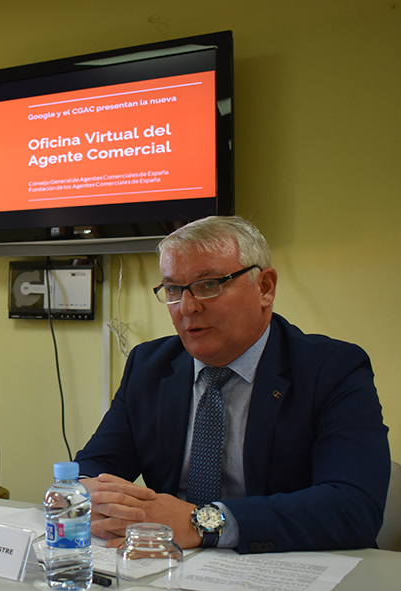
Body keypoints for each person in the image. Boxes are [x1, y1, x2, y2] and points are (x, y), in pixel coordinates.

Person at [74, 216, 390, 553]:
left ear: (265, 288)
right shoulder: (149, 366)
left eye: (209, 284)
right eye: (172, 289)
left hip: (282, 568)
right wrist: (88, 493)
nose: (187, 306)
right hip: (166, 571)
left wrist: (202, 522)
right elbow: (96, 465)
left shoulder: (331, 369)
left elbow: (353, 506)